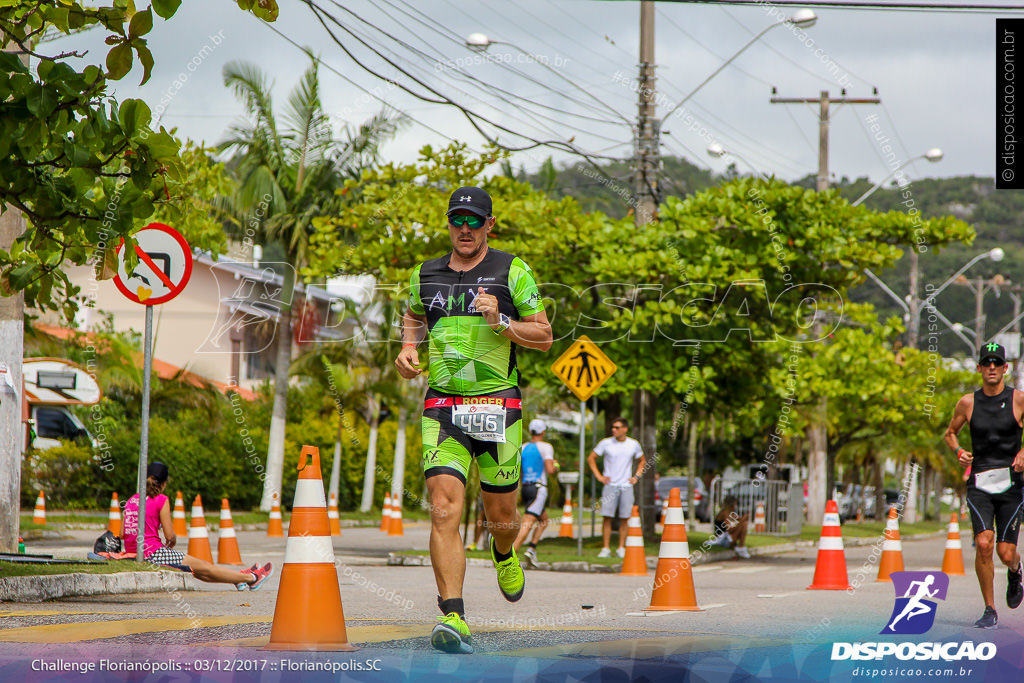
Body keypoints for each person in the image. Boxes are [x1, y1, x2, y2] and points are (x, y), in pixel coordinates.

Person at [395, 186, 552, 655]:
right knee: (443, 507)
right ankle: (453, 615)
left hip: (497, 406)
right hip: (443, 406)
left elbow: (543, 335)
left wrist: (502, 320)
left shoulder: (512, 270)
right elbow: (413, 314)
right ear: (449, 224)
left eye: (474, 221)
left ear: (489, 225)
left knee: (501, 516)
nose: (465, 228)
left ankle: (504, 552)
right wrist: (407, 348)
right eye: (457, 220)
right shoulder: (424, 274)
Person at [944, 342, 1024, 629]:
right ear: (979, 368)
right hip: (979, 482)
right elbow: (950, 433)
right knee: (983, 543)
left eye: (997, 363)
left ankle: (1015, 570)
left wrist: (1023, 453)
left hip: (1012, 485)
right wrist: (958, 451)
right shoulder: (968, 402)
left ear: (1005, 368)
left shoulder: (1018, 400)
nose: (991, 367)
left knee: (1005, 552)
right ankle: (990, 609)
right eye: (986, 363)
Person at [122, 462, 273, 590]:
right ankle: (252, 578)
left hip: (134, 553)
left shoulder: (131, 500)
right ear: (164, 483)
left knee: (199, 571)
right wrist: (172, 540)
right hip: (153, 553)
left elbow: (123, 533)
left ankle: (237, 579)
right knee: (205, 567)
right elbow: (169, 536)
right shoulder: (161, 500)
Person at [587, 417, 645, 558]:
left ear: (625, 429)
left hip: (626, 486)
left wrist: (636, 477)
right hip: (610, 485)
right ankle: (606, 548)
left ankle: (621, 548)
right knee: (607, 517)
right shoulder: (606, 443)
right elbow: (591, 458)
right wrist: (599, 476)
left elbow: (642, 460)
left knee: (625, 517)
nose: (614, 429)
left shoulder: (633, 444)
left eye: (617, 427)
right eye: (613, 427)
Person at [513, 418, 558, 568]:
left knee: (544, 520)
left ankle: (532, 549)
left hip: (526, 488)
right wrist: (555, 465)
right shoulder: (546, 447)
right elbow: (550, 470)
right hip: (539, 488)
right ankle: (509, 557)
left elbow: (519, 470)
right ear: (543, 432)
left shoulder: (523, 447)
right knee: (527, 524)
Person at [711, 494, 751, 559]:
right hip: (722, 539)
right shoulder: (724, 513)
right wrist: (741, 521)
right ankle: (741, 547)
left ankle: (741, 546)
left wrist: (742, 519)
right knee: (743, 524)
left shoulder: (731, 513)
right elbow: (729, 530)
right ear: (731, 505)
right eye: (735, 504)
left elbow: (739, 519)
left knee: (744, 524)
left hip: (727, 537)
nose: (735, 506)